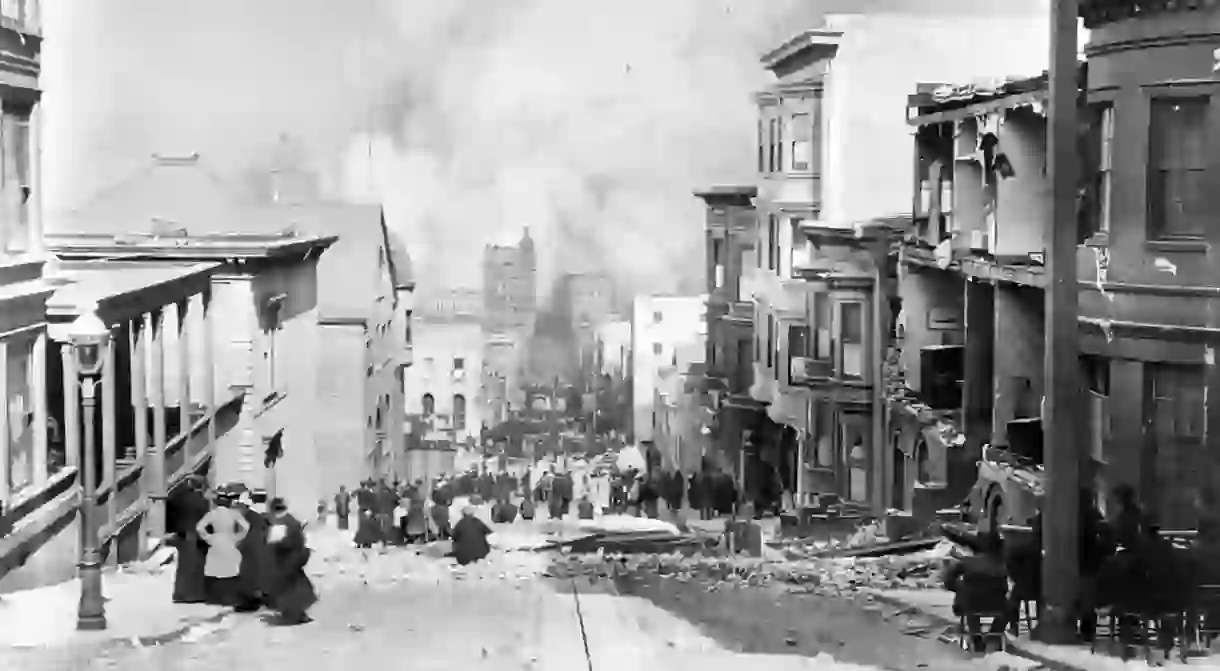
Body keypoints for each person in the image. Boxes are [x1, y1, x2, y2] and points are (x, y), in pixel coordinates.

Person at [942, 531, 1009, 653]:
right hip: (997, 605)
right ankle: (994, 635)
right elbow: (1005, 588)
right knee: (1007, 608)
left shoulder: (967, 562)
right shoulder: (1001, 565)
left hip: (971, 604)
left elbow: (948, 579)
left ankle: (976, 635)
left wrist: (958, 588)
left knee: (970, 598)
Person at [265, 498, 317, 625]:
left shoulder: (281, 523)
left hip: (287, 560)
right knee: (296, 586)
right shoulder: (291, 520)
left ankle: (293, 614)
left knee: (288, 588)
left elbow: (281, 542)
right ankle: (298, 613)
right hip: (293, 559)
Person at [196, 486, 251, 606]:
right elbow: (246, 527)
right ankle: (230, 597)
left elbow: (199, 527)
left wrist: (208, 537)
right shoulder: (234, 513)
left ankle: (215, 597)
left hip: (216, 540)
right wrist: (238, 537)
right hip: (229, 539)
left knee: (215, 570)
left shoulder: (212, 513)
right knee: (230, 569)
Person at [166, 475, 210, 603]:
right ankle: (194, 594)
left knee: (183, 567)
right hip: (195, 536)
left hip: (182, 534)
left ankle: (180, 594)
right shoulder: (200, 501)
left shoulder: (178, 497)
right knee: (195, 566)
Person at [233, 491, 270, 612]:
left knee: (250, 576)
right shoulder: (249, 517)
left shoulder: (252, 518)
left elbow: (253, 538)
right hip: (252, 553)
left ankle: (251, 601)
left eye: (238, 505)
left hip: (252, 553)